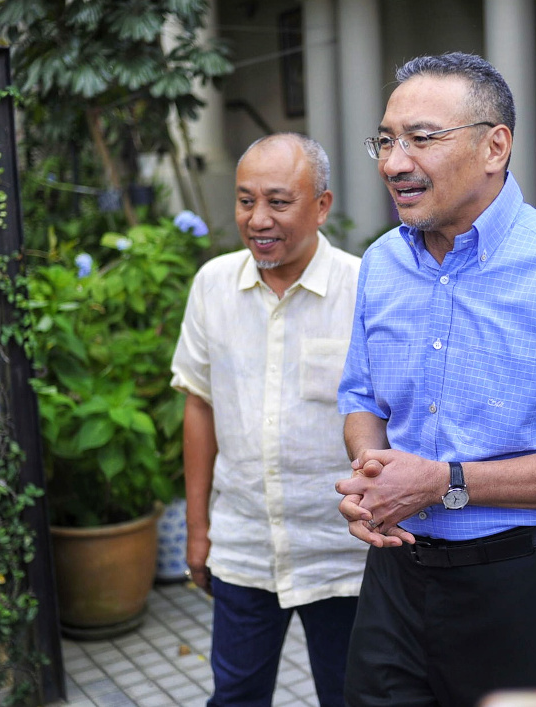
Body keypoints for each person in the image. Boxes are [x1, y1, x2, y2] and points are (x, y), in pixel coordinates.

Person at [335, 52, 536, 706]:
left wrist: (447, 481)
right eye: (387, 140)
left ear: (495, 146)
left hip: (524, 585)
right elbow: (362, 399)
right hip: (394, 578)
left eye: (421, 138)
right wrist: (376, 474)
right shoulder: (380, 264)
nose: (393, 162)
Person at [170, 133, 367, 707]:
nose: (258, 219)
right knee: (235, 695)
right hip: (245, 548)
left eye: (279, 201)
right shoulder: (213, 285)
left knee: (351, 697)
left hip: (344, 553)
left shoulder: (364, 289)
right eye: (245, 200)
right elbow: (199, 405)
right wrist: (199, 530)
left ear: (322, 205)